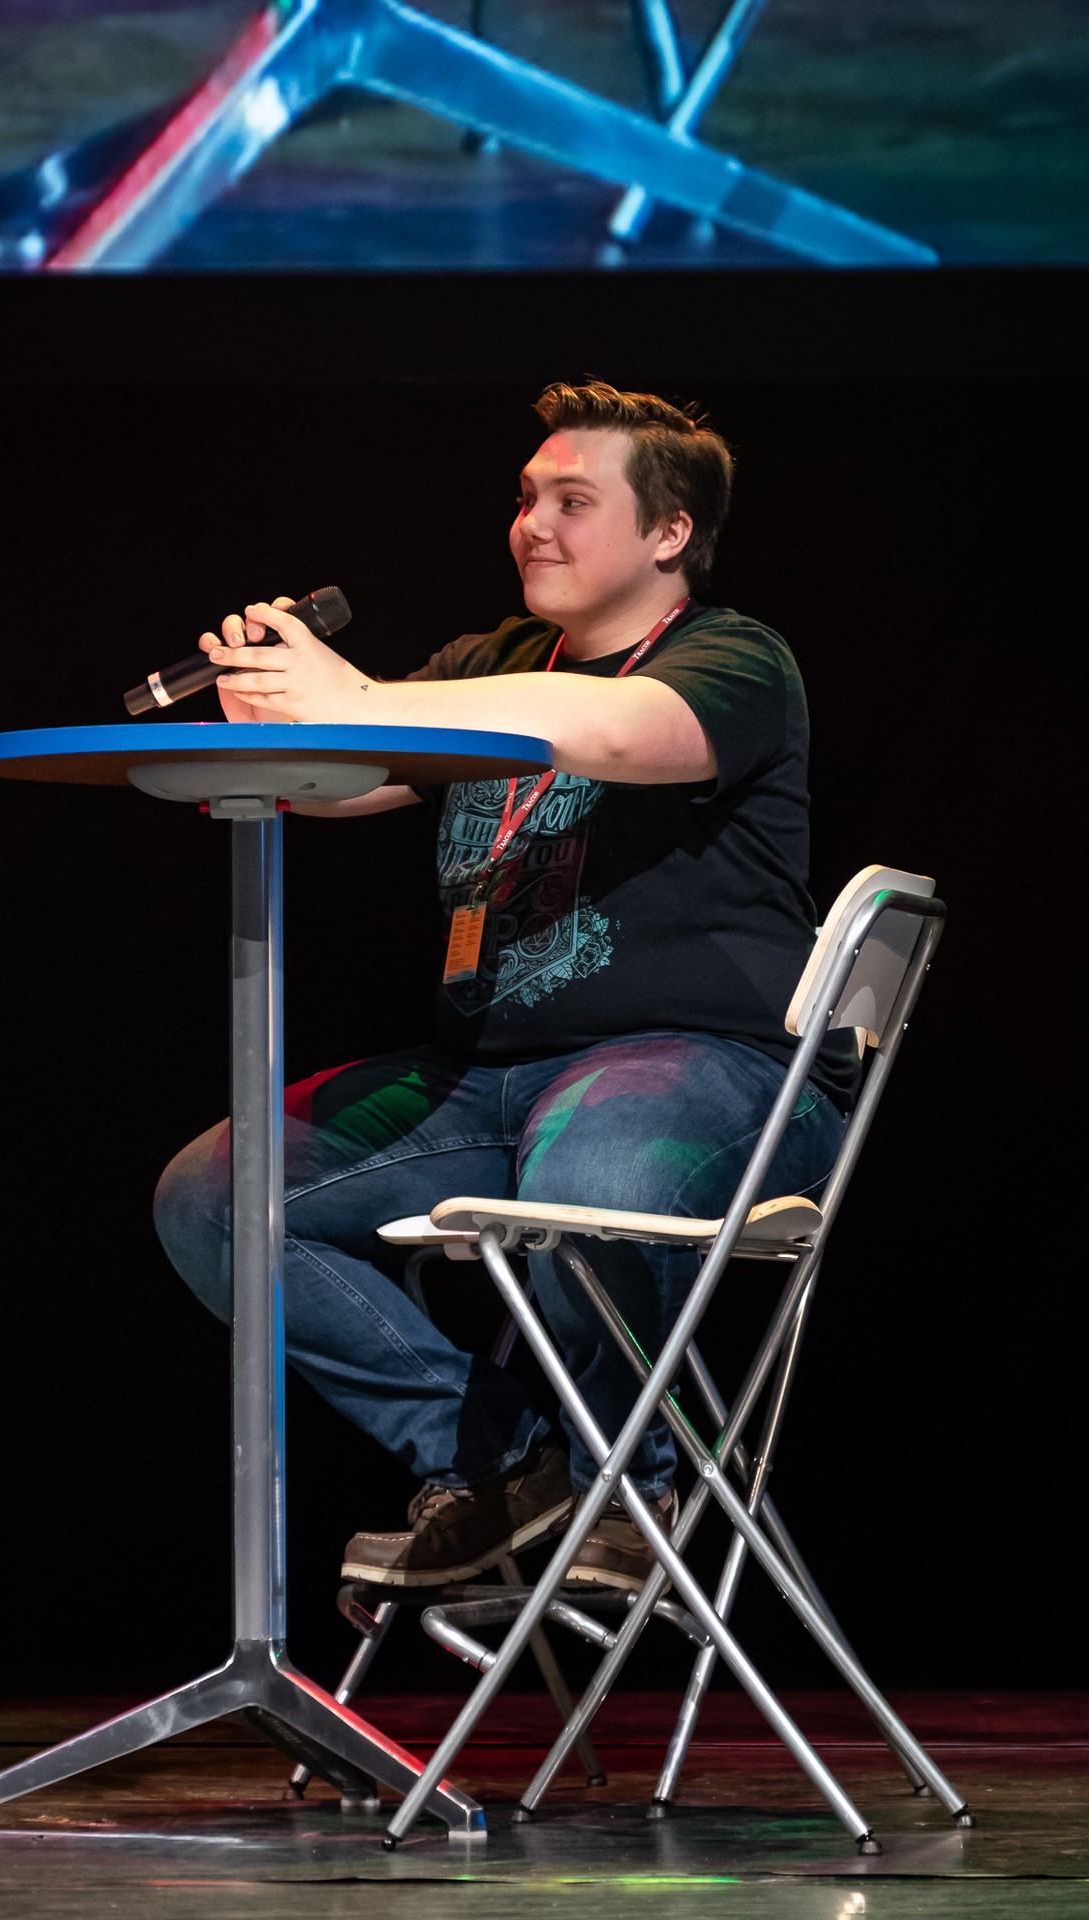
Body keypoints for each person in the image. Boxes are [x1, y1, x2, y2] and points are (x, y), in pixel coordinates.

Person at [153, 380, 853, 1594]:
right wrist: (270, 712)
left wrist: (363, 700)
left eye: (571, 501)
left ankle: (624, 1487)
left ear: (668, 532)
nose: (532, 524)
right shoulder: (490, 663)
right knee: (213, 1195)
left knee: (589, 1182)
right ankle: (500, 1463)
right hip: (487, 1084)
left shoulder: (733, 657)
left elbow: (623, 731)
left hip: (700, 1065)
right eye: (526, 498)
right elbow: (346, 778)